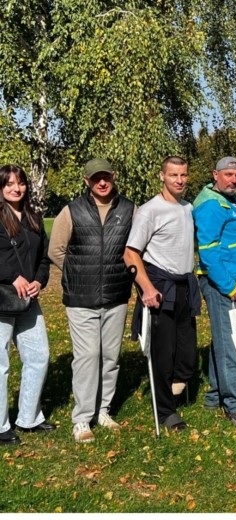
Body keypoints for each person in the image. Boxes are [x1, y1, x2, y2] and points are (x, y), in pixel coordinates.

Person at [49, 158, 135, 443]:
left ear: (113, 176)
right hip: (80, 297)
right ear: (86, 181)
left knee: (110, 357)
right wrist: (76, 274)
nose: (102, 182)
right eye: (95, 178)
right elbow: (56, 250)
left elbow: (134, 249)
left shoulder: (128, 209)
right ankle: (82, 418)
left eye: (106, 177)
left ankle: (103, 410)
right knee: (87, 357)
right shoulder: (71, 211)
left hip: (116, 295)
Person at [124, 156, 199, 432]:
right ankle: (166, 411)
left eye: (183, 175)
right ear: (162, 176)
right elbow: (130, 253)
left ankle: (175, 391)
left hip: (184, 286)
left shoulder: (187, 207)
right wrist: (147, 288)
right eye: (173, 175)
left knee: (188, 354)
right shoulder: (149, 211)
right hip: (159, 287)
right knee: (163, 353)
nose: (179, 180)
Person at [193, 156, 236, 427]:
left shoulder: (228, 200)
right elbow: (208, 252)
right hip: (221, 284)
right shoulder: (210, 204)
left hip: (231, 282)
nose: (234, 180)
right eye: (228, 174)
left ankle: (215, 394)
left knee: (221, 339)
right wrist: (229, 286)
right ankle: (235, 404)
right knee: (228, 344)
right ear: (215, 175)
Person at [0, 165, 53, 446]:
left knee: (39, 355)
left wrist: (39, 281)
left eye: (20, 183)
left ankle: (29, 417)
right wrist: (12, 276)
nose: (15, 188)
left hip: (28, 299)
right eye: (9, 183)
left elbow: (43, 258)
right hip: (2, 300)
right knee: (0, 364)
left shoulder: (33, 217)